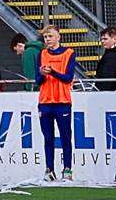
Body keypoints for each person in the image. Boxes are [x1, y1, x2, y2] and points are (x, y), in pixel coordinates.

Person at [32, 29, 80, 181]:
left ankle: (67, 169)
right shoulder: (42, 54)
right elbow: (37, 80)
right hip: (45, 101)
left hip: (62, 101)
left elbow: (68, 78)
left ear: (58, 37)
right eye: (45, 37)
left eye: (50, 36)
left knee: (66, 137)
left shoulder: (69, 53)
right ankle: (49, 170)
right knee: (48, 138)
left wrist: (52, 72)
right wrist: (42, 74)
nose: (47, 39)